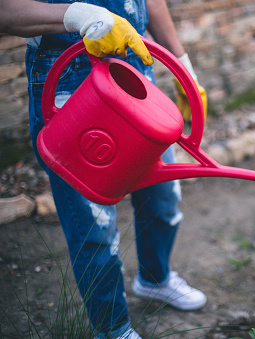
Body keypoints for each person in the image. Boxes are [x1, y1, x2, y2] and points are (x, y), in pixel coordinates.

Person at [0, 1, 208, 338]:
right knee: (95, 228)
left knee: (163, 197)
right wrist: (78, 15)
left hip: (138, 74)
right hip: (71, 84)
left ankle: (155, 280)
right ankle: (113, 329)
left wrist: (184, 66)